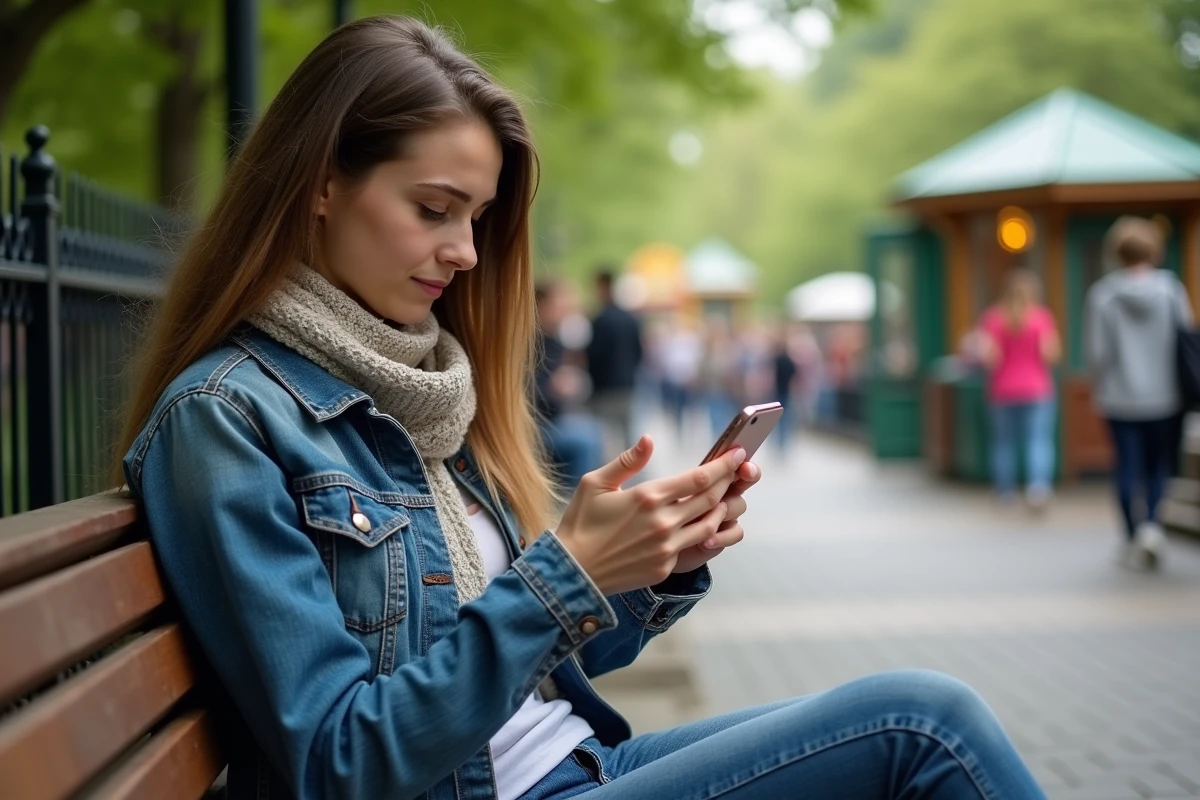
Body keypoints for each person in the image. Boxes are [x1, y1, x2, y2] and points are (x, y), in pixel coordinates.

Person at [113, 17, 1046, 800]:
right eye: (434, 208)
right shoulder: (227, 420)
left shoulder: (425, 390)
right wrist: (563, 578)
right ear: (322, 183)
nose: (466, 251)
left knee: (918, 722)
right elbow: (340, 761)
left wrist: (647, 567)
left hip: (578, 763)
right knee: (924, 727)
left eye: (476, 218)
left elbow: (518, 670)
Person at [1085, 216, 1193, 571]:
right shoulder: (1171, 290)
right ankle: (1152, 528)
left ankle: (1132, 536)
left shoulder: (1102, 295)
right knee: (1158, 465)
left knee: (1126, 467)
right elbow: (1187, 338)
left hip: (1119, 397)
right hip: (1166, 396)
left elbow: (1097, 353)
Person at [976, 269, 1061, 511]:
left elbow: (989, 357)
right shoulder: (1041, 318)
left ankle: (1005, 492)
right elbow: (1050, 354)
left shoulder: (993, 318)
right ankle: (1038, 489)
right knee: (1039, 441)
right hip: (1037, 389)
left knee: (1004, 443)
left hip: (1002, 391)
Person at [535, 280, 604, 490]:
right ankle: (579, 501)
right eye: (560, 305)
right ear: (540, 306)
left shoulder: (554, 340)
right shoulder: (530, 342)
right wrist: (552, 389)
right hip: (533, 426)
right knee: (587, 439)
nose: (565, 312)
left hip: (551, 419)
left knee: (593, 428)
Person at [585, 268, 643, 454]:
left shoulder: (599, 320)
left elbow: (593, 356)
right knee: (628, 437)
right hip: (626, 385)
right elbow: (639, 353)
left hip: (604, 388)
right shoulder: (630, 319)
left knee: (605, 439)